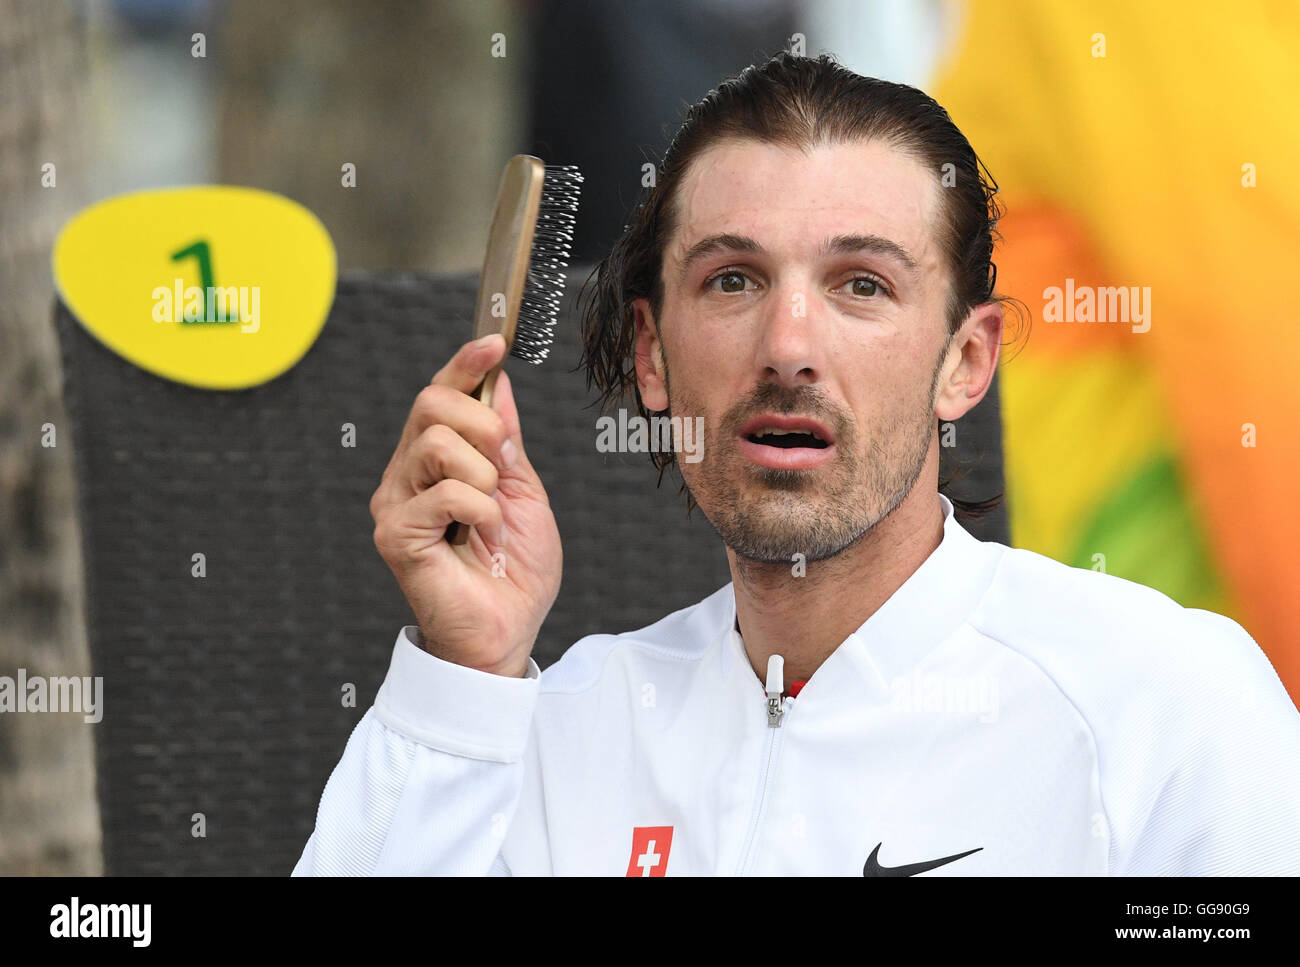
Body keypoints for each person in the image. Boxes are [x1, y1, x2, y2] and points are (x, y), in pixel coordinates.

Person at [293, 52, 1300, 876]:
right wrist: (464, 680)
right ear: (652, 356)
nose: (787, 342)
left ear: (965, 361)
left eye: (861, 284)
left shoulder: (1165, 707)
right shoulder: (558, 732)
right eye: (733, 279)